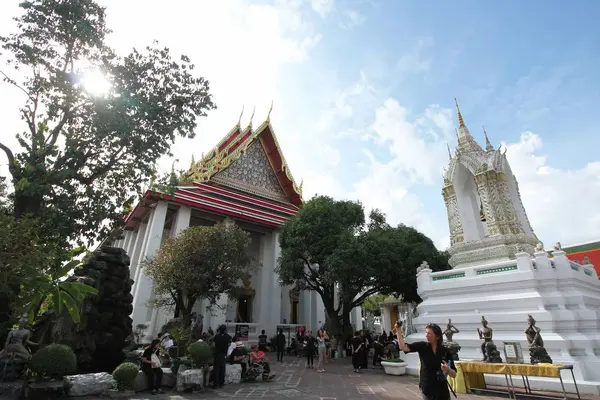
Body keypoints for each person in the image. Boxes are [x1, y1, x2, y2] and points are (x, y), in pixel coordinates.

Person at [395, 321, 457, 400]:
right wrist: (398, 330)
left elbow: (454, 374)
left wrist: (448, 369)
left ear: (437, 336)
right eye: (426, 333)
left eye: (429, 333)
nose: (426, 335)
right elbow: (403, 347)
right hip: (427, 387)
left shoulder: (444, 352)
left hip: (442, 388)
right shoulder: (422, 346)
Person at [212, 324, 232, 389]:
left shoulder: (216, 337)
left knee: (216, 370)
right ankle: (221, 383)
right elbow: (229, 345)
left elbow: (214, 345)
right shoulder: (228, 337)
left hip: (217, 354)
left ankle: (215, 384)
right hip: (223, 355)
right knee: (222, 369)